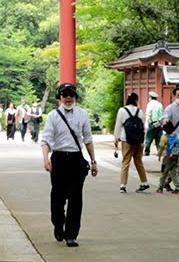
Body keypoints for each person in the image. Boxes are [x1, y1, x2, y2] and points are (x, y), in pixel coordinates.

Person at [40, 83, 98, 247]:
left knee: (75, 197)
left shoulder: (82, 115)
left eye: (71, 94)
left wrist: (93, 161)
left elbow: (87, 139)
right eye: (64, 95)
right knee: (57, 197)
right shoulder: (53, 116)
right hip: (58, 159)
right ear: (59, 97)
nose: (68, 98)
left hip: (76, 160)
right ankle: (58, 224)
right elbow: (46, 140)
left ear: (75, 97)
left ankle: (71, 234)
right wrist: (46, 159)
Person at [112, 92, 149, 193]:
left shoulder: (122, 110)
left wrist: (116, 139)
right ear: (136, 100)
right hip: (138, 141)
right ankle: (144, 182)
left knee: (126, 162)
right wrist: (143, 141)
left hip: (126, 139)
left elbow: (118, 125)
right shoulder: (140, 111)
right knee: (139, 162)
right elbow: (143, 127)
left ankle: (123, 185)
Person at [158, 87, 179, 193]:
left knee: (176, 162)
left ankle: (166, 182)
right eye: (178, 96)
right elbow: (165, 118)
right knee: (176, 163)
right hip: (173, 142)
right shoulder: (169, 108)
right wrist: (165, 120)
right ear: (174, 96)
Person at [157, 121, 179, 193]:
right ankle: (178, 188)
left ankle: (160, 187)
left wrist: (159, 155)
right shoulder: (178, 136)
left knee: (164, 172)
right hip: (176, 157)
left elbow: (161, 147)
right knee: (174, 173)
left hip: (167, 157)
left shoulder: (164, 137)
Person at [143, 91, 165, 155]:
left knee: (148, 139)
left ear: (150, 97)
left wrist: (146, 123)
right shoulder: (160, 104)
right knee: (158, 139)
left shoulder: (150, 104)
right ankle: (159, 151)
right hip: (159, 124)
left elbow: (148, 114)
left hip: (152, 124)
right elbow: (162, 116)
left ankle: (147, 151)